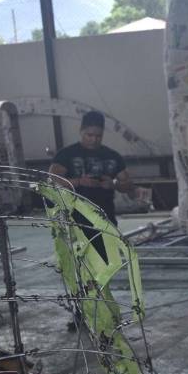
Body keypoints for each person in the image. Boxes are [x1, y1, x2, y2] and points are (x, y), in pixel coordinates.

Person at [49, 111, 134, 262]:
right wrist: (78, 182)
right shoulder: (66, 154)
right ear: (81, 131)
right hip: (74, 216)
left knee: (107, 259)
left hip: (105, 215)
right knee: (80, 260)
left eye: (98, 136)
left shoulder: (112, 156)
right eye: (89, 135)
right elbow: (52, 180)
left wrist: (113, 184)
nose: (94, 140)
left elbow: (128, 185)